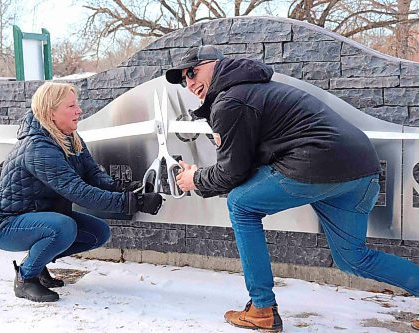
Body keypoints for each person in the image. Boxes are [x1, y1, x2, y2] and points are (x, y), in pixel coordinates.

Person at [166, 45, 419, 332]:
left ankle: (261, 308)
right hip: (361, 171)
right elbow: (247, 163)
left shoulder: (231, 101)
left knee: (240, 204)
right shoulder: (253, 89)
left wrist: (195, 179)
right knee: (353, 258)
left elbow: (232, 173)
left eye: (191, 72)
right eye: (182, 80)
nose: (188, 83)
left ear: (214, 64)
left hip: (317, 165)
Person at [0, 82, 163, 303]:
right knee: (63, 227)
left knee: (98, 232)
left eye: (76, 105)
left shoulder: (70, 139)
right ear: (51, 113)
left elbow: (94, 176)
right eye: (71, 106)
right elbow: (79, 192)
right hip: (5, 225)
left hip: (39, 217)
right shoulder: (38, 148)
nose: (79, 110)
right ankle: (25, 278)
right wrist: (133, 203)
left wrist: (126, 188)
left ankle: (37, 266)